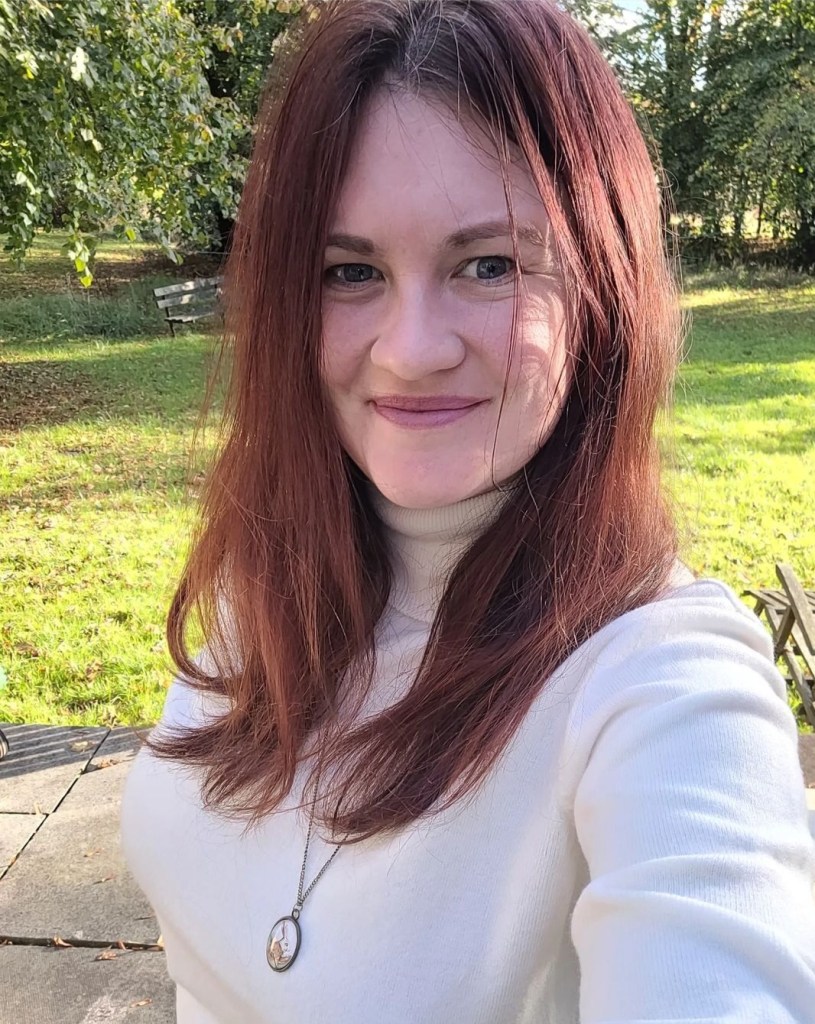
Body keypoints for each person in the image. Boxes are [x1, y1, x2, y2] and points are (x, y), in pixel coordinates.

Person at [120, 1, 815, 1021]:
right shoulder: (264, 580)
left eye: (488, 265)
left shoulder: (665, 687)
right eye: (351, 271)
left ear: (601, 289)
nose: (411, 350)